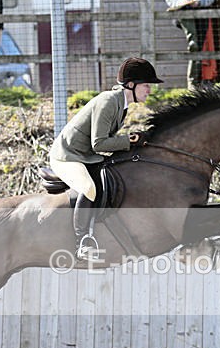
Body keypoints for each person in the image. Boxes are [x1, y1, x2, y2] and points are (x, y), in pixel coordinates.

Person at [48, 57, 164, 262]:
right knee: (89, 187)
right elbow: (99, 143)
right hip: (67, 156)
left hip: (86, 155)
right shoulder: (109, 101)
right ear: (131, 84)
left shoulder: (122, 104)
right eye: (146, 85)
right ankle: (82, 242)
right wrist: (129, 140)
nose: (149, 90)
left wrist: (132, 141)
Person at [166, 0, 216, 90]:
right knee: (194, 45)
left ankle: (197, 83)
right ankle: (192, 83)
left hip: (202, 13)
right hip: (183, 11)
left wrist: (199, 2)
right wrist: (182, 2)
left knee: (199, 46)